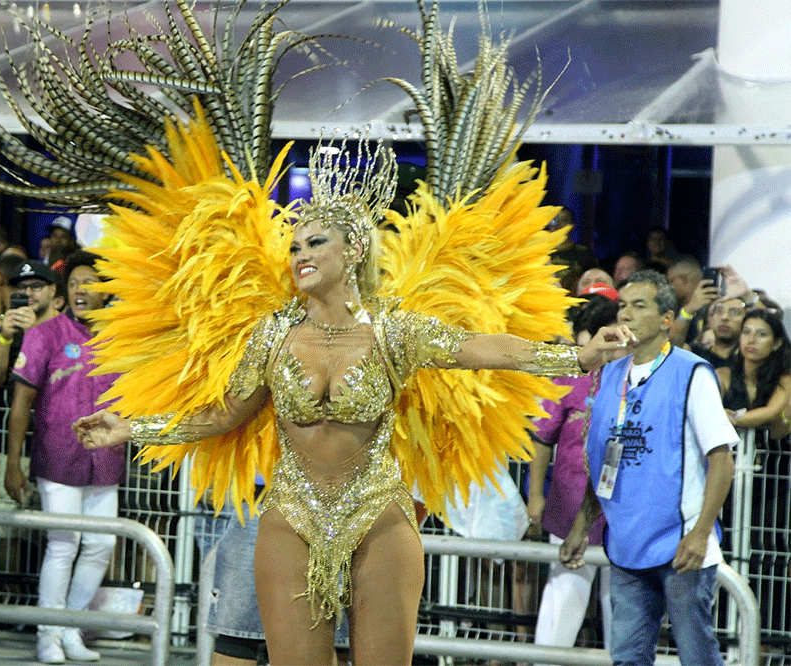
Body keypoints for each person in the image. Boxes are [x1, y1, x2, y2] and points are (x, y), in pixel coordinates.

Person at [74, 144, 636, 666]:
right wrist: (131, 426)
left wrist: (579, 359)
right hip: (291, 515)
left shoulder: (394, 331)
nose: (300, 254)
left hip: (378, 516)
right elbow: (223, 414)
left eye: (316, 242)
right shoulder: (271, 335)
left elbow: (477, 348)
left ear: (355, 249)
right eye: (294, 246)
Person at [560, 270, 737, 666]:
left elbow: (722, 458)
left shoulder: (691, 372)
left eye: (639, 306)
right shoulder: (609, 374)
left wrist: (700, 532)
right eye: (622, 305)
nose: (626, 314)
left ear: (667, 320)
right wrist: (580, 526)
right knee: (627, 658)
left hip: (682, 546)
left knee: (697, 658)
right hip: (626, 545)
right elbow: (605, 459)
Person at [4, 250, 122, 664]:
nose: (80, 291)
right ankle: (48, 638)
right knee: (63, 544)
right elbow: (20, 402)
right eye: (73, 284)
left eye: (89, 283)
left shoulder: (122, 335)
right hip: (57, 455)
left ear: (105, 290)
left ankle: (70, 629)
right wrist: (12, 462)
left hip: (106, 458)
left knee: (101, 544)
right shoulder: (45, 334)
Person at [528, 295, 618, 661]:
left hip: (623, 515)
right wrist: (535, 495)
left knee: (624, 610)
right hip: (569, 508)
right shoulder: (569, 378)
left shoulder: (639, 380)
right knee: (564, 601)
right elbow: (541, 439)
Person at [716, 309, 790, 645]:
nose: (751, 340)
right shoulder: (722, 374)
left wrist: (734, 418)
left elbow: (774, 415)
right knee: (724, 551)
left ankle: (765, 642)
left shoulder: (785, 377)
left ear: (776, 343)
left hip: (774, 483)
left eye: (761, 334)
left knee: (766, 554)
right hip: (729, 484)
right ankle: (721, 636)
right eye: (747, 332)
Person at [0, 259, 60, 388]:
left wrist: (33, 335)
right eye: (22, 287)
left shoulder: (65, 328)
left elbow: (59, 379)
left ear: (52, 290)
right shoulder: (9, 327)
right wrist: (4, 338)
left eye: (36, 286)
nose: (28, 293)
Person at [690, 297, 747, 369]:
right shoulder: (693, 353)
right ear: (710, 319)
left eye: (734, 313)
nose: (724, 317)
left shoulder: (748, 362)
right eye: (719, 311)